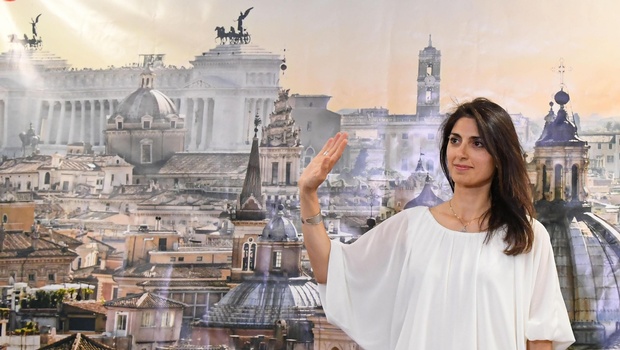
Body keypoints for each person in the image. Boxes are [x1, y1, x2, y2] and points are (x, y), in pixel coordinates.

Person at [298, 98, 575, 350]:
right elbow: (331, 271)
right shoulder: (412, 226)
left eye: (477, 143)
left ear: (500, 155)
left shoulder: (526, 237)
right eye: (455, 141)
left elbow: (539, 338)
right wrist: (308, 195)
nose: (461, 153)